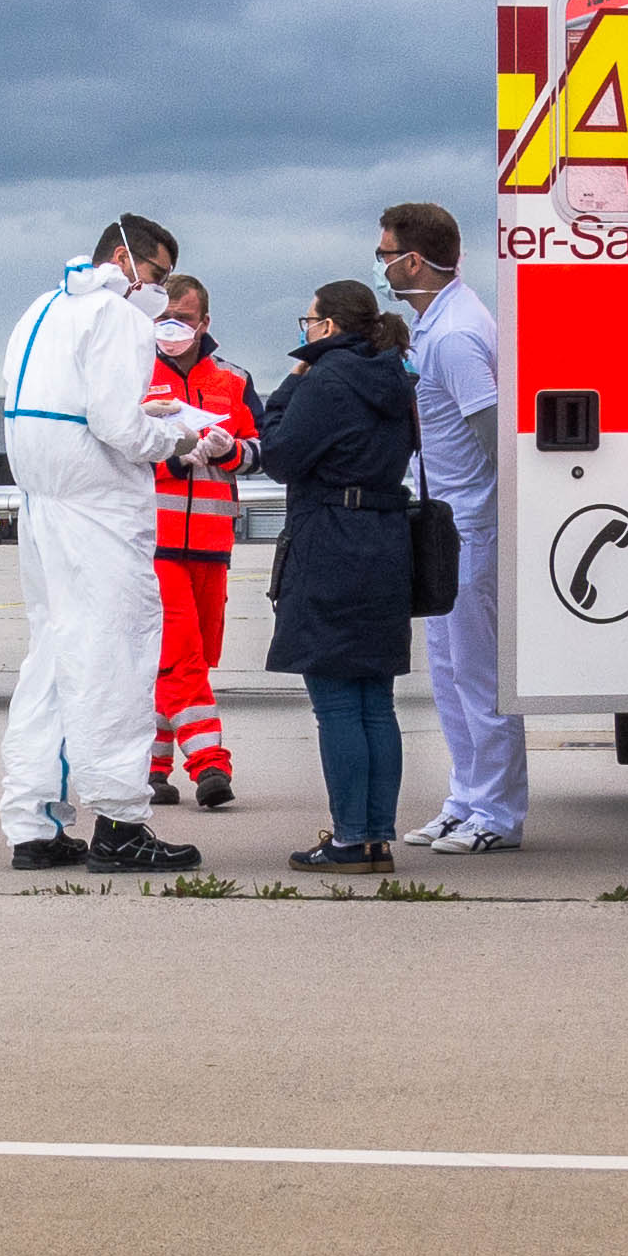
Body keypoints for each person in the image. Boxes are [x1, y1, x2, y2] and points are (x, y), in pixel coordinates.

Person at [0, 214, 228, 872]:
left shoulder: (40, 310)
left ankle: (33, 825)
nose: (157, 294)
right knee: (115, 656)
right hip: (97, 509)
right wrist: (183, 438)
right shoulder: (115, 316)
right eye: (154, 276)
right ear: (125, 260)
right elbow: (119, 425)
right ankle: (120, 824)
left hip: (41, 505)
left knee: (49, 660)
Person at [258, 278, 422, 871]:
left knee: (335, 704)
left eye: (308, 322)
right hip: (384, 541)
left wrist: (288, 386)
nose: (304, 332)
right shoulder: (394, 378)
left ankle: (351, 835)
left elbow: (278, 454)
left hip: (330, 542)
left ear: (327, 327)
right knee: (376, 703)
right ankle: (376, 834)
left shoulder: (326, 379)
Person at [384, 201, 518, 853]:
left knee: (477, 674)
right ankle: (465, 797)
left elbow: (492, 433)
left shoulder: (458, 335)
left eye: (385, 255)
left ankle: (497, 812)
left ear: (413, 260)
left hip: (470, 523)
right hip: (441, 523)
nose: (381, 267)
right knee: (445, 670)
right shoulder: (432, 329)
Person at [142, 275, 260, 813]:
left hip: (212, 544)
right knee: (182, 656)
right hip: (155, 543)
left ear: (204, 323)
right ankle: (209, 762)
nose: (173, 329)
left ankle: (152, 767)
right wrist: (171, 456)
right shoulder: (133, 374)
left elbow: (265, 452)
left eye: (184, 319)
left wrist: (229, 449)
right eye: (163, 317)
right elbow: (114, 452)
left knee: (195, 658)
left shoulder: (233, 381)